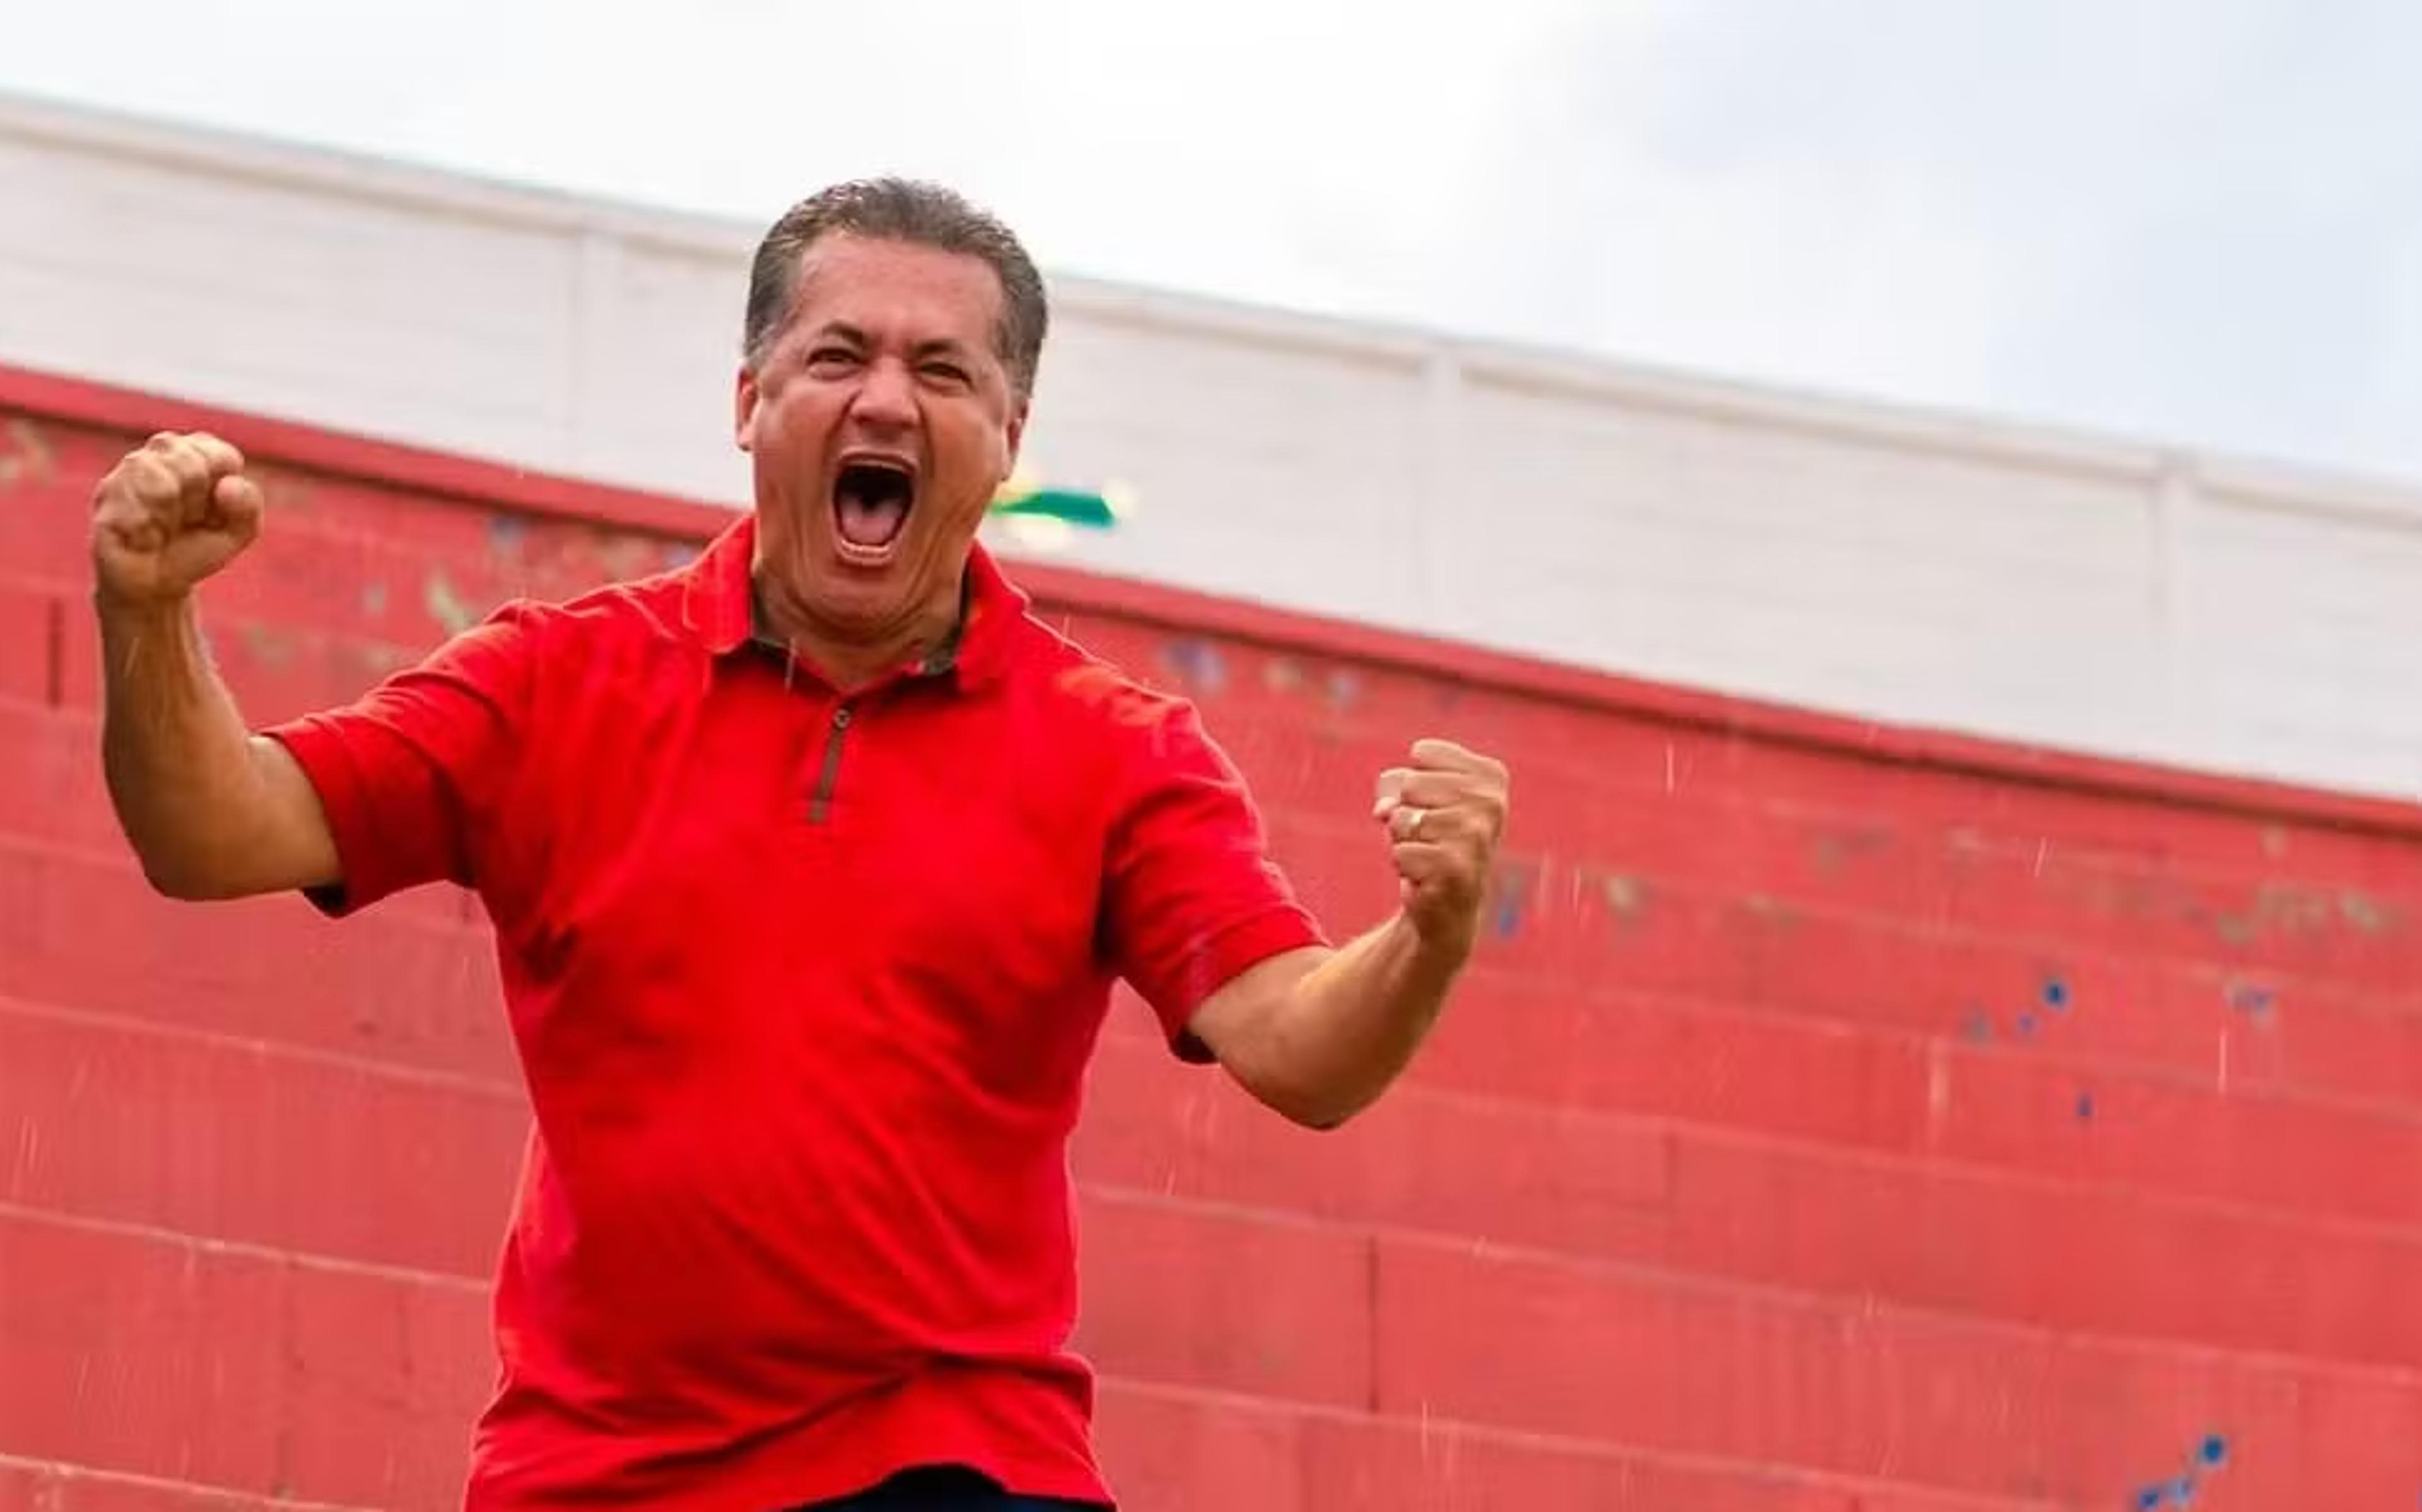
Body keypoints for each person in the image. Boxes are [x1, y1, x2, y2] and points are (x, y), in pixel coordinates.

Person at [87, 178, 1512, 1511]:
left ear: (1010, 437)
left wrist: (1423, 934)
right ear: (749, 400)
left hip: (953, 1453)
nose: (885, 395)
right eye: (838, 355)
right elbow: (216, 832)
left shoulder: (1116, 746)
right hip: (590, 1474)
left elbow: (1301, 1049)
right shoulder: (555, 682)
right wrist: (148, 614)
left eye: (944, 372)